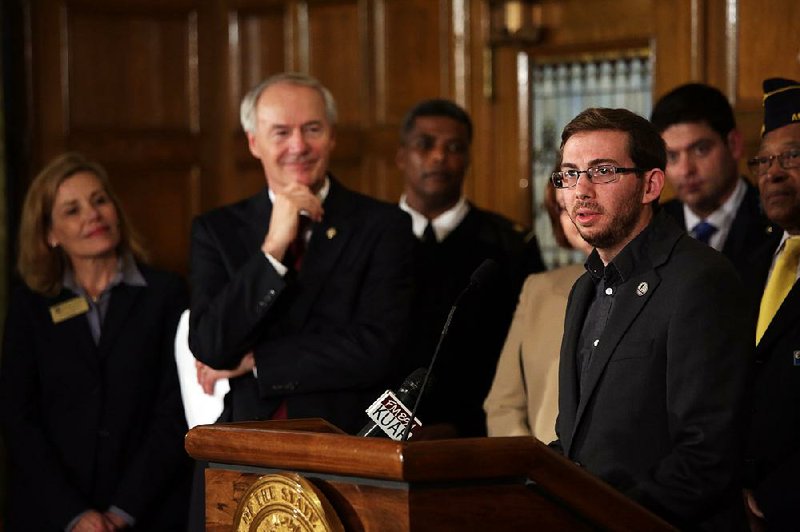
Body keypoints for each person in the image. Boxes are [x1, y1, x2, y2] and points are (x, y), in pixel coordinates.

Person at [551, 108, 751, 529]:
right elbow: (580, 443)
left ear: (651, 184)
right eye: (569, 174)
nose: (580, 191)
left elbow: (707, 455)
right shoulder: (584, 287)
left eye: (602, 171)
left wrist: (604, 516)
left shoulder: (699, 279)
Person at [188, 72, 414, 434]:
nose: (298, 146)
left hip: (345, 443)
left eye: (312, 129)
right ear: (253, 143)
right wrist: (272, 250)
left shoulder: (384, 226)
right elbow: (212, 346)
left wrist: (260, 360)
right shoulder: (216, 230)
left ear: (333, 137)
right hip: (244, 447)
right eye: (281, 132)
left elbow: (379, 349)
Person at [0, 153, 191, 531]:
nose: (93, 215)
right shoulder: (30, 306)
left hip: (149, 512)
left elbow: (176, 410)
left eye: (100, 200)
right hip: (52, 515)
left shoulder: (167, 294)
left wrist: (123, 510)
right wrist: (73, 514)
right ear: (50, 234)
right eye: (72, 210)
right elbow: (18, 417)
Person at [395, 99, 544, 438]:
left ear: (468, 159)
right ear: (402, 155)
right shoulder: (369, 237)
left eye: (454, 147)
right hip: (379, 431)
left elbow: (524, 350)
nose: (439, 157)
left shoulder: (510, 245)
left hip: (476, 431)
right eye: (425, 145)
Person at [484, 180, 592, 441]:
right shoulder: (538, 289)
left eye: (583, 201)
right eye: (563, 207)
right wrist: (536, 470)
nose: (576, 214)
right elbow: (502, 407)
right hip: (540, 474)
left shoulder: (672, 284)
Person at [741, 77, 800, 531]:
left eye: (793, 157)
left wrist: (778, 498)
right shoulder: (745, 261)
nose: (773, 173)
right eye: (764, 160)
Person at [651, 83, 774, 275]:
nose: (685, 170)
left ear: (733, 144)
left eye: (701, 149)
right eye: (672, 156)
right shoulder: (652, 226)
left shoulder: (775, 218)